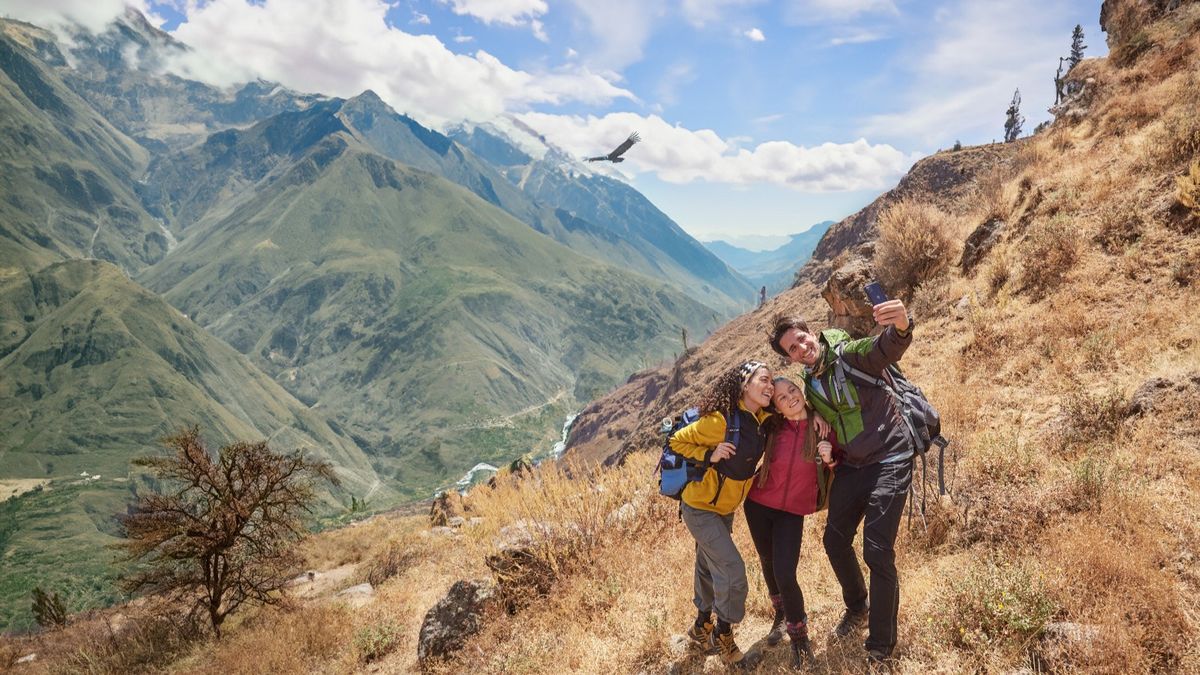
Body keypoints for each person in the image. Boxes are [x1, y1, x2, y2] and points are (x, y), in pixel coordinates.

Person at [768, 300, 914, 667]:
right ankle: (858, 606)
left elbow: (882, 348)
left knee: (877, 551)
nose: (801, 348)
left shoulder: (849, 354)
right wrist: (814, 415)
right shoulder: (811, 382)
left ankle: (880, 647)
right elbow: (813, 409)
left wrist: (901, 326)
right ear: (790, 357)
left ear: (811, 331)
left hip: (890, 455)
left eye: (801, 339)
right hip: (854, 464)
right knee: (834, 540)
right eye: (792, 349)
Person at [670, 360, 775, 668]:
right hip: (700, 508)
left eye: (772, 381)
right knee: (732, 570)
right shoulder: (719, 421)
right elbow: (676, 441)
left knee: (707, 566)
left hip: (724, 509)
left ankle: (701, 627)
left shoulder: (762, 419)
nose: (770, 386)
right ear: (744, 385)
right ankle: (724, 637)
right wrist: (708, 454)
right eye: (764, 380)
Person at [743, 376, 835, 669]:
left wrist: (829, 457)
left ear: (801, 392)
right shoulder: (773, 426)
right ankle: (781, 614)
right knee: (767, 560)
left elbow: (837, 464)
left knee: (785, 572)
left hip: (791, 512)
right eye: (781, 397)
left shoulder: (823, 427)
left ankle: (799, 639)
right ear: (777, 408)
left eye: (792, 390)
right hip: (758, 504)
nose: (790, 398)